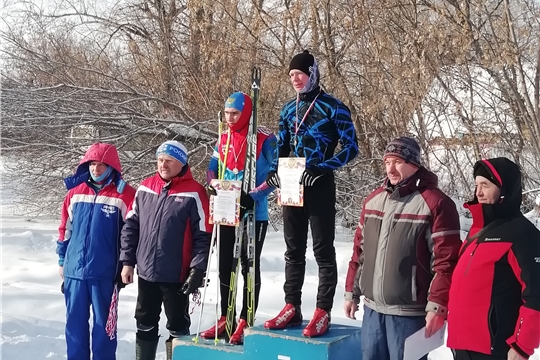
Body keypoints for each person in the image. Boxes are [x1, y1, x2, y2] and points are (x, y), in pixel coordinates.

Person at [263, 50, 359, 337]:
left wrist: (323, 167)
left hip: (319, 184)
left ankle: (322, 309)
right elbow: (281, 147)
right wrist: (273, 170)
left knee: (323, 249)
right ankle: (291, 305)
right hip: (292, 183)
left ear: (312, 74)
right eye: (291, 75)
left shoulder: (333, 107)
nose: (295, 79)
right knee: (293, 250)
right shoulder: (287, 109)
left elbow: (351, 148)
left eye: (300, 74)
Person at [344, 136, 462, 360]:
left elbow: (445, 262)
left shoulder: (436, 203)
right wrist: (352, 293)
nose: (391, 168)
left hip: (410, 314)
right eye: (387, 162)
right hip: (373, 311)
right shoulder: (372, 201)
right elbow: (359, 253)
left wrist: (437, 306)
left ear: (414, 164)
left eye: (397, 161)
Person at [119, 140, 212, 360]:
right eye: (160, 160)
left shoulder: (195, 192)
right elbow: (130, 227)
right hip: (146, 272)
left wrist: (197, 269)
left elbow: (204, 236)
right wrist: (127, 261)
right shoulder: (145, 187)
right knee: (144, 322)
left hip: (177, 275)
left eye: (169, 161)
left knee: (178, 326)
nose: (163, 165)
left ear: (181, 163)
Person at [200, 91, 277, 344]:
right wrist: (212, 184)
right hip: (226, 209)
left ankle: (246, 316)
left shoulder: (264, 138)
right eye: (227, 114)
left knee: (248, 266)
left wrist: (253, 195)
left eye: (235, 114)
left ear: (246, 114)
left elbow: (276, 175)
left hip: (254, 212)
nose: (230, 118)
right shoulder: (224, 137)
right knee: (225, 266)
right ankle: (226, 316)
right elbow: (212, 167)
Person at [447, 157, 540, 360]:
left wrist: (522, 346)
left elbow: (536, 294)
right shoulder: (476, 232)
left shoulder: (522, 234)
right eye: (476, 185)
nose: (478, 192)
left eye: (485, 185)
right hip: (462, 347)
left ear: (504, 189)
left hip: (496, 350)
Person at [56, 142, 136, 360]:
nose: (96, 169)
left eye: (101, 165)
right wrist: (62, 260)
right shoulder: (75, 192)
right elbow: (65, 229)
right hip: (75, 272)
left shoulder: (126, 195)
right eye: (92, 164)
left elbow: (132, 234)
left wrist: (127, 264)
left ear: (112, 167)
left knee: (104, 329)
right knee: (75, 326)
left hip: (105, 273)